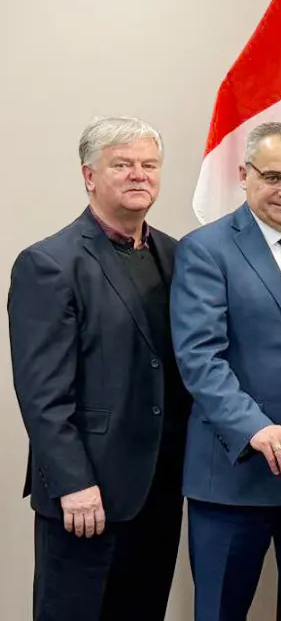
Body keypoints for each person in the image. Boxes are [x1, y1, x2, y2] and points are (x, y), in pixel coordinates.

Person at [10, 117, 189, 621]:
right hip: (87, 496)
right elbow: (42, 394)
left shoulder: (176, 256)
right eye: (123, 165)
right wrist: (73, 483)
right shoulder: (49, 263)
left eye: (149, 165)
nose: (139, 175)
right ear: (90, 176)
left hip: (158, 489)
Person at [170, 122, 281, 621]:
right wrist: (255, 429)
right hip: (233, 477)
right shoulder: (205, 249)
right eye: (273, 177)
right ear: (244, 175)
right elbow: (200, 359)